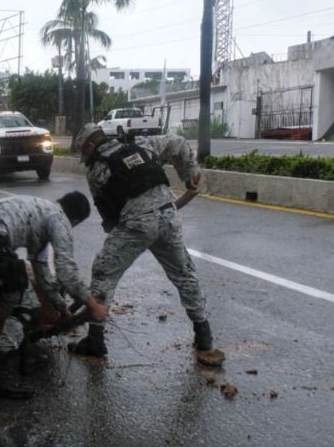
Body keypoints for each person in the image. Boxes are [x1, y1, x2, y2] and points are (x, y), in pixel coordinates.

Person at [69, 123, 222, 364]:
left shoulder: (97, 171)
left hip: (136, 226)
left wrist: (121, 239)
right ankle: (204, 336)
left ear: (90, 146)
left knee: (103, 271)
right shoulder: (143, 145)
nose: (84, 157)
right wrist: (190, 173)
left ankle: (95, 341)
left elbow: (110, 221)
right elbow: (179, 142)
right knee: (184, 275)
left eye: (84, 152)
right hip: (169, 218)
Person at [0, 192, 108, 400]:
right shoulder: (59, 219)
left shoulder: (42, 212)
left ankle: (27, 359)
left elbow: (42, 273)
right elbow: (66, 270)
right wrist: (92, 304)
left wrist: (63, 310)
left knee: (26, 301)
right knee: (24, 307)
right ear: (75, 219)